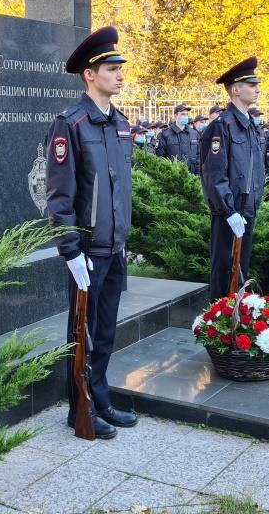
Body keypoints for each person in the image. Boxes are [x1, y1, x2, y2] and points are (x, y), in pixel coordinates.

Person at [44, 26, 136, 440]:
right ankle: (78, 408)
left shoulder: (119, 123)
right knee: (81, 331)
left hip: (113, 248)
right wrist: (70, 250)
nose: (120, 75)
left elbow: (118, 187)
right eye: (112, 68)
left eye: (120, 68)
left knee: (105, 330)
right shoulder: (71, 124)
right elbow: (59, 197)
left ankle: (100, 399)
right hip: (86, 252)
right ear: (90, 74)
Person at [200, 56, 266, 301]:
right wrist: (228, 210)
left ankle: (235, 319)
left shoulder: (250, 125)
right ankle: (219, 321)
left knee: (240, 271)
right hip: (229, 212)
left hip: (247, 210)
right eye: (251, 84)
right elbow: (214, 174)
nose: (257, 88)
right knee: (224, 272)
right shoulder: (222, 126)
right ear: (236, 89)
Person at [155, 103, 201, 173]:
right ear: (176, 116)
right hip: (172, 176)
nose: (185, 116)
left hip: (192, 176)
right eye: (182, 114)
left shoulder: (194, 133)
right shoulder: (165, 134)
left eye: (186, 114)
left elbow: (199, 156)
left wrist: (197, 174)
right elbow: (160, 157)